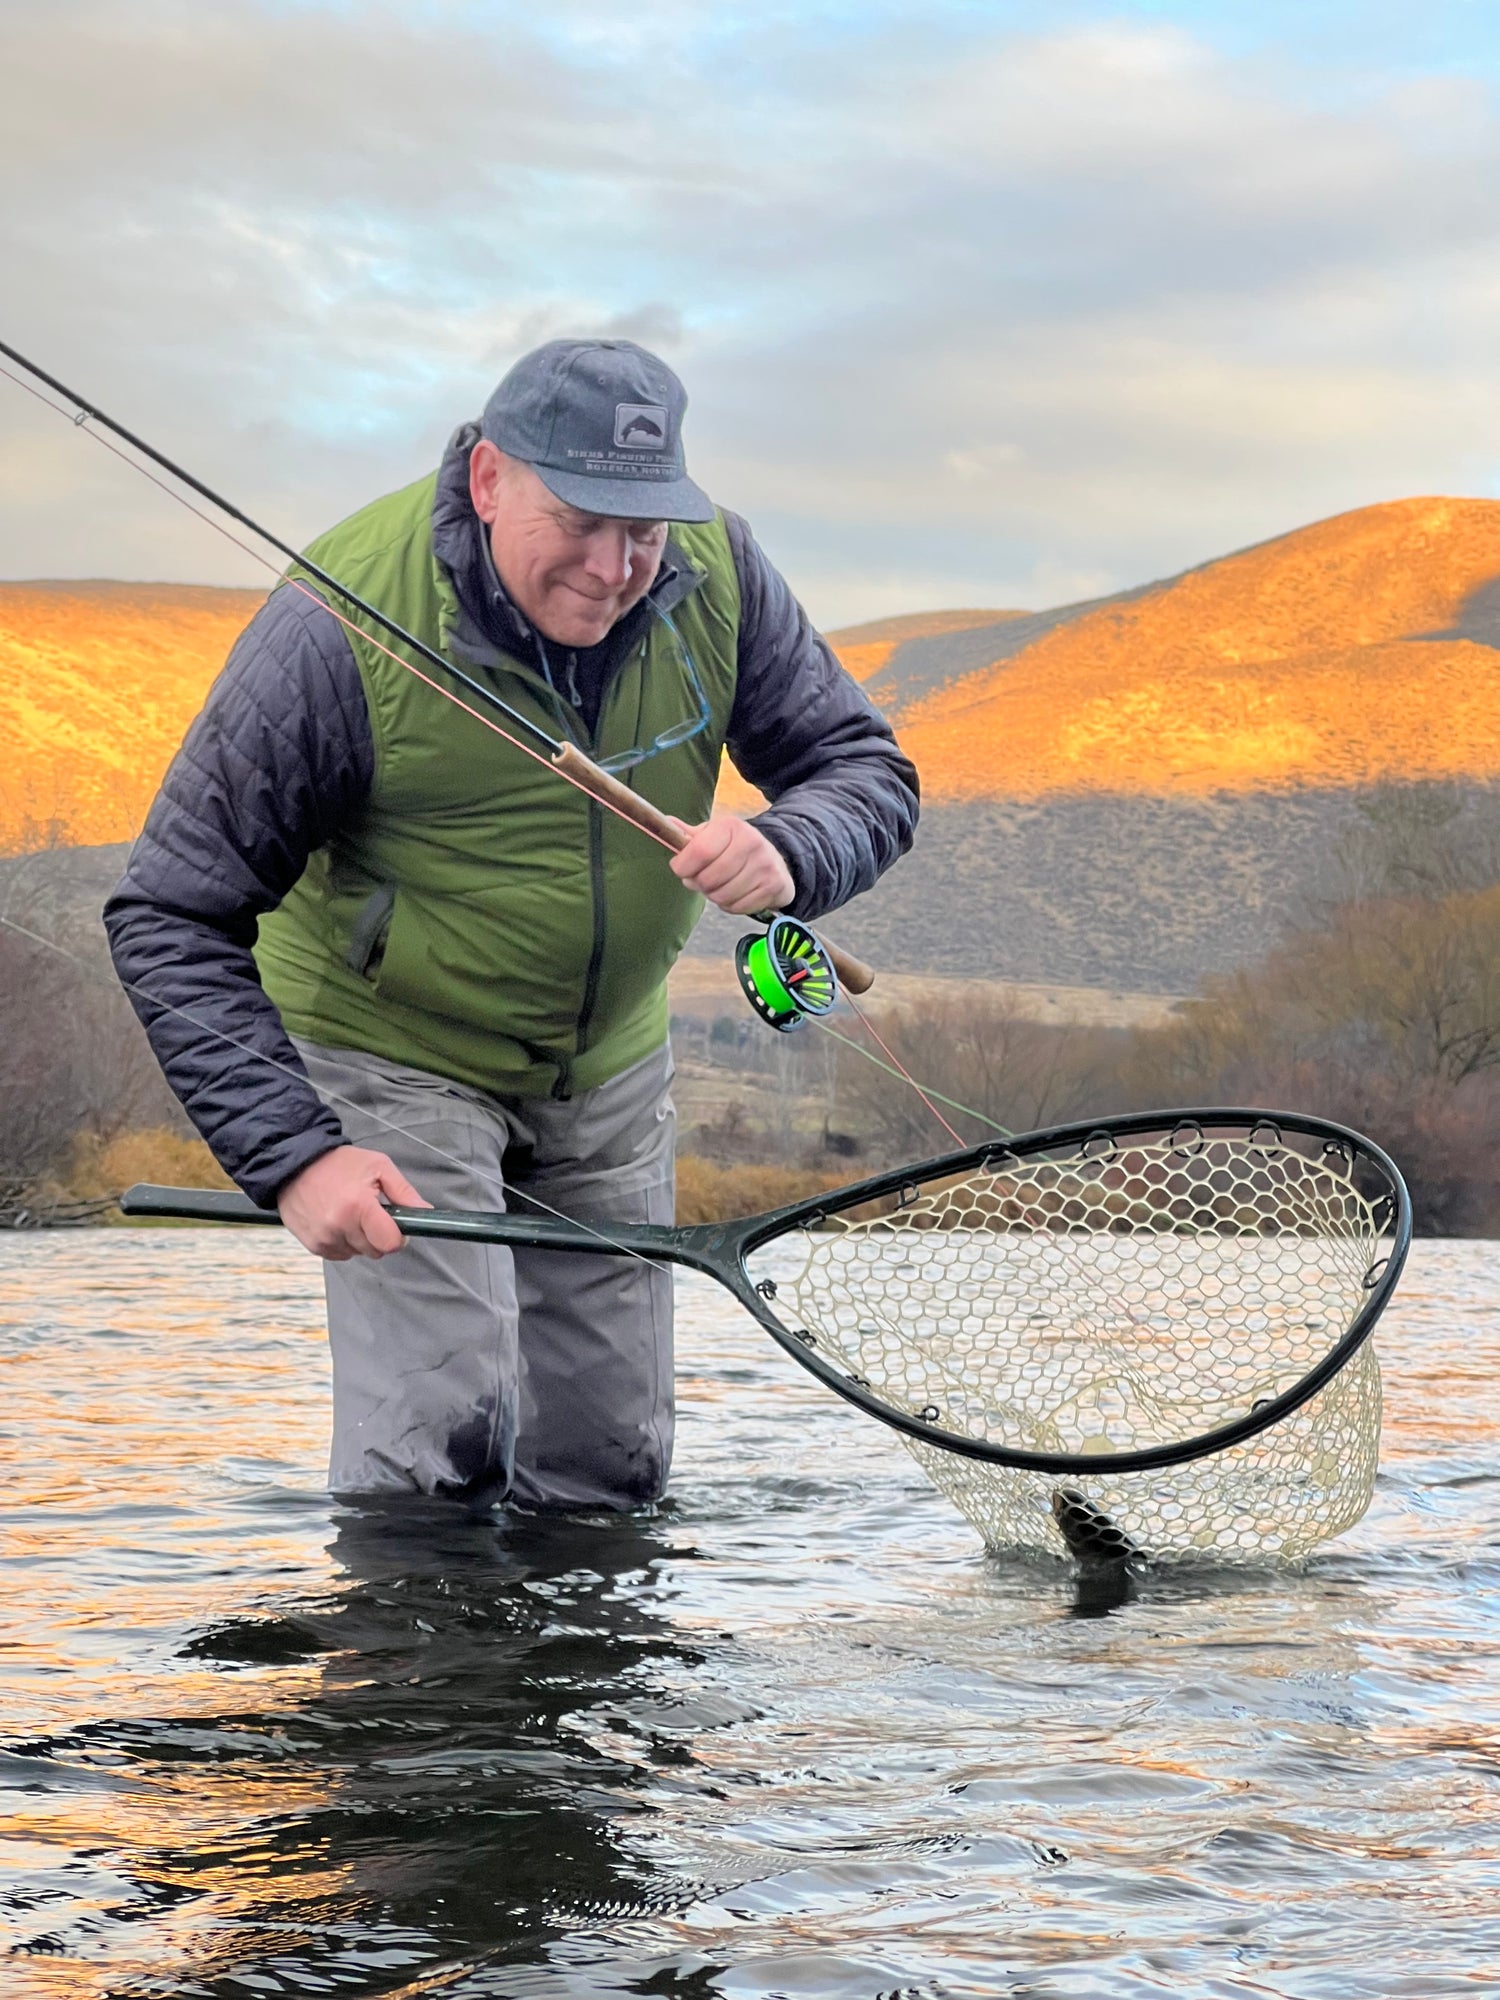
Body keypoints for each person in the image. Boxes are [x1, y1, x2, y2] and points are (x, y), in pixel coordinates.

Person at [105, 338, 919, 1509]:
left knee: (610, 1462)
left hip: (608, 1069)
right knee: (442, 1441)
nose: (615, 565)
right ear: (489, 480)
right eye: (580, 520)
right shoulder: (333, 628)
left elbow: (864, 768)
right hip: (392, 1058)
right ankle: (420, 1695)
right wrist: (295, 1154)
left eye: (644, 529)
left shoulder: (720, 569)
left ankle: (585, 1691)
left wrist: (798, 847)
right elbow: (171, 912)